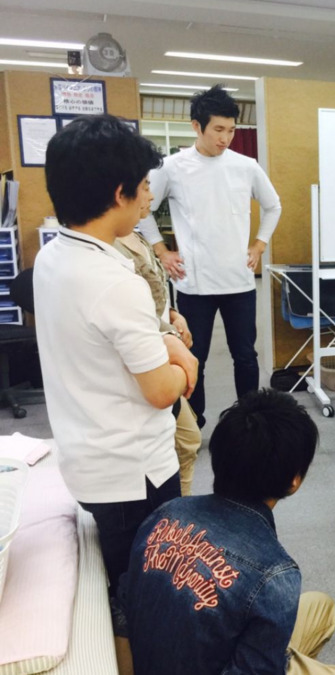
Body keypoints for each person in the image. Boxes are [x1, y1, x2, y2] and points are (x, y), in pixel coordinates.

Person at [121, 389, 335, 675]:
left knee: (321, 606)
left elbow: (125, 606)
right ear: (294, 480)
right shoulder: (275, 573)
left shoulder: (167, 513)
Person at [34, 114, 198, 609]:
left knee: (123, 584)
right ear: (120, 192)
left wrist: (161, 344)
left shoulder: (53, 257)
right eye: (146, 187)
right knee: (146, 596)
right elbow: (163, 391)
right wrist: (184, 361)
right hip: (134, 475)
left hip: (88, 458)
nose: (150, 198)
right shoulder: (113, 281)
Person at [138, 84, 282, 428]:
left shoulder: (245, 166)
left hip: (239, 281)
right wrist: (161, 250)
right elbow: (143, 209)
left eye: (231, 130)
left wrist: (260, 244)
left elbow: (273, 205)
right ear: (196, 127)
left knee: (246, 356)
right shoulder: (172, 167)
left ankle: (249, 418)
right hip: (194, 285)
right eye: (218, 129)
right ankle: (194, 419)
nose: (225, 138)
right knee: (194, 358)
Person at [116, 221, 202, 496]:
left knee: (187, 442)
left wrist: (174, 316)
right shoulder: (111, 248)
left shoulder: (137, 236)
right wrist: (169, 339)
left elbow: (155, 295)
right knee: (179, 444)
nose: (150, 196)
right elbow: (131, 311)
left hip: (162, 342)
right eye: (144, 188)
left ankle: (180, 511)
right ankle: (174, 516)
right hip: (148, 354)